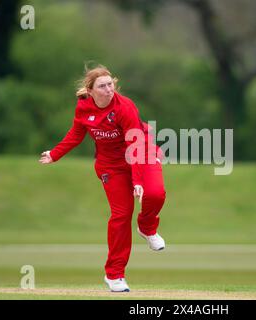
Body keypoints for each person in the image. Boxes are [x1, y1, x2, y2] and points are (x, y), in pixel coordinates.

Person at [39, 65, 166, 292]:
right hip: (111, 165)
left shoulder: (125, 107)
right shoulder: (84, 108)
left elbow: (134, 144)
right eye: (102, 86)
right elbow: (76, 134)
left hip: (141, 151)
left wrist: (137, 181)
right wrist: (55, 154)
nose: (109, 89)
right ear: (91, 90)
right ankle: (114, 275)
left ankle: (147, 226)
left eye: (110, 84)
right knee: (121, 215)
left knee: (155, 194)